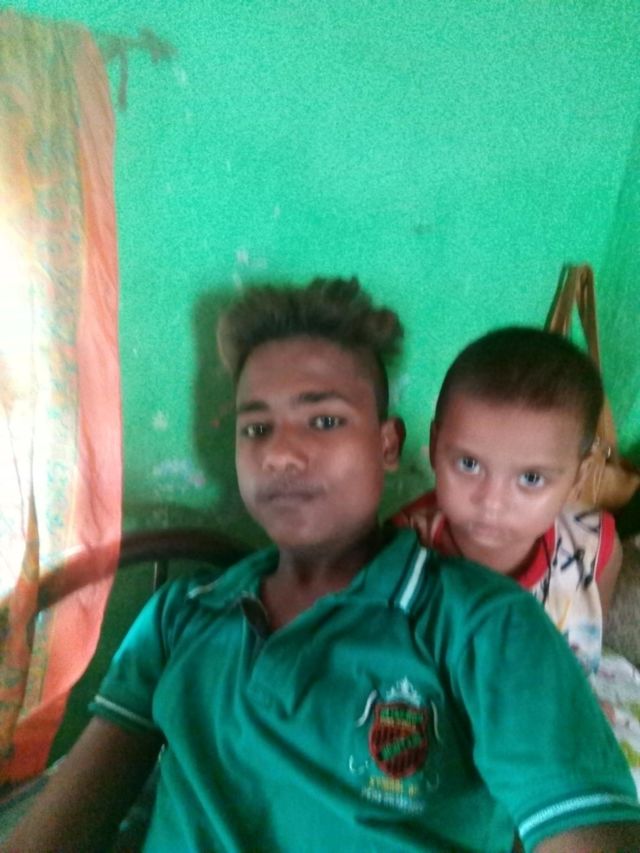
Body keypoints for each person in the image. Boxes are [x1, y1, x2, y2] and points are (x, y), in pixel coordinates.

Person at [4, 281, 639, 852]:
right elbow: (72, 812)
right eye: (257, 429)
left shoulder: (488, 627)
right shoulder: (180, 614)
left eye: (324, 420)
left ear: (387, 444)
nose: (281, 454)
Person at [394, 326, 622, 676]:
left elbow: (584, 656)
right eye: (469, 464)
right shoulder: (403, 548)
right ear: (436, 445)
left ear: (578, 477)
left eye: (531, 478)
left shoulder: (593, 547)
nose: (492, 502)